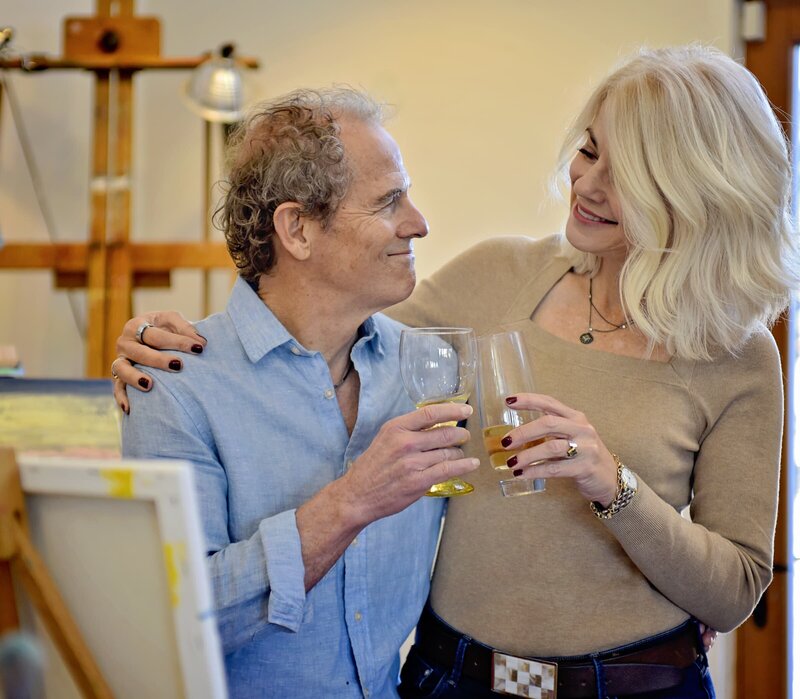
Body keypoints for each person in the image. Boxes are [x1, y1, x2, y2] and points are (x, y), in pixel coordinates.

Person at [113, 45, 794, 698]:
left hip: (642, 685)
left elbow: (734, 588)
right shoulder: (493, 280)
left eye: (623, 173)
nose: (583, 182)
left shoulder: (737, 355)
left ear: (693, 189)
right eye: (589, 150)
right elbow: (319, 312)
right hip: (455, 680)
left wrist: (612, 483)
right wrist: (157, 338)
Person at [120, 87, 480, 698]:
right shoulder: (176, 384)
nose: (419, 223)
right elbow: (176, 623)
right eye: (389, 201)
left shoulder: (431, 367)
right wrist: (352, 501)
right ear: (298, 229)